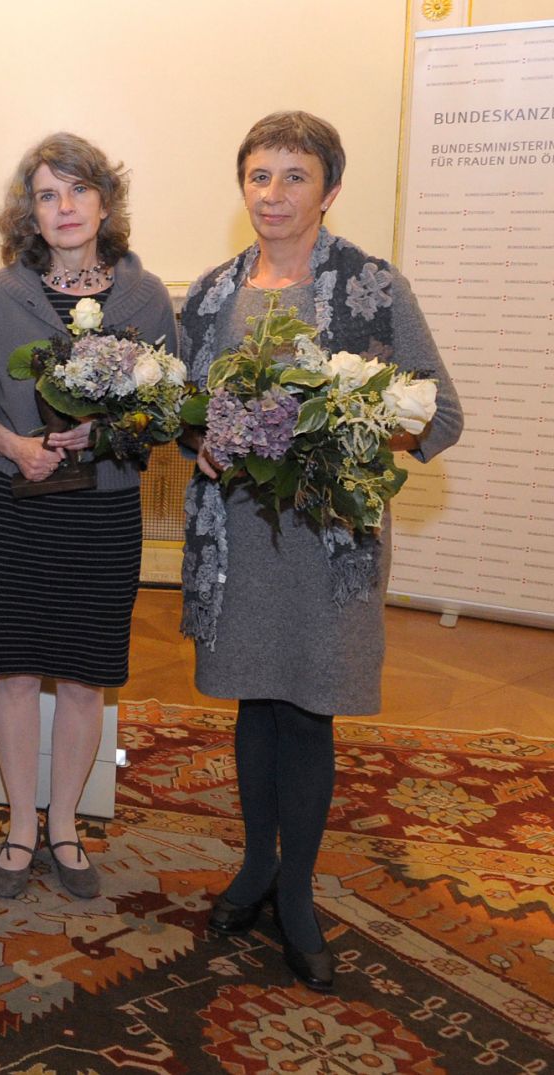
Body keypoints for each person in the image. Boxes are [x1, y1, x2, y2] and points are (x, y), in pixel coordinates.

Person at [183, 111, 462, 992]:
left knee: (307, 711)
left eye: (294, 176)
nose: (273, 193)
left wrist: (353, 438)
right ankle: (255, 866)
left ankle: (296, 892)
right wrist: (199, 439)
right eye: (259, 175)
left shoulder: (373, 288)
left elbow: (438, 416)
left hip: (325, 546)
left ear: (330, 189)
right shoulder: (210, 293)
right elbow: (187, 410)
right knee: (253, 706)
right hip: (237, 545)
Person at [0, 133, 179, 901]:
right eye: (48, 195)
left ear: (105, 202)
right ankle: (21, 825)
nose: (65, 207)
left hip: (102, 512)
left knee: (85, 679)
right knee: (15, 674)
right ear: (31, 212)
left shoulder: (145, 299)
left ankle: (65, 825)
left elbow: (166, 405)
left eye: (78, 190)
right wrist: (15, 445)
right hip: (16, 509)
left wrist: (111, 429)